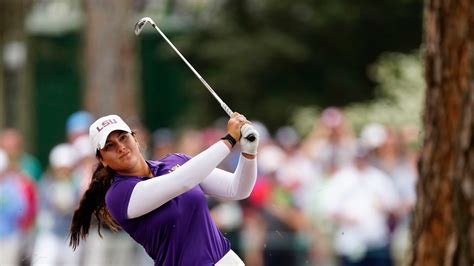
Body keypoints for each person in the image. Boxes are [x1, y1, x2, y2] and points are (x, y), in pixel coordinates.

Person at [69, 112, 260, 265]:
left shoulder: (176, 161)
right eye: (110, 145)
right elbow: (180, 182)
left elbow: (238, 189)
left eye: (123, 137)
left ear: (135, 139)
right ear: (102, 159)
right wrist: (229, 140)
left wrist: (249, 151)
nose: (121, 147)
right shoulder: (118, 195)